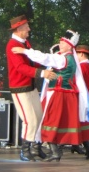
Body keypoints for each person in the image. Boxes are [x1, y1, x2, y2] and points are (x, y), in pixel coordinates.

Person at [12, 30, 89, 162]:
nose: (60, 44)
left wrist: (25, 51)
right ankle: (50, 150)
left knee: (49, 121)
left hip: (58, 94)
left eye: (63, 43)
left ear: (70, 46)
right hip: (66, 94)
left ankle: (50, 151)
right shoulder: (70, 58)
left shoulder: (62, 59)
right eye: (60, 42)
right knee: (53, 122)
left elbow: (45, 58)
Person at [6, 14, 56, 161]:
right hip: (20, 88)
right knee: (30, 120)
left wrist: (49, 63)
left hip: (30, 86)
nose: (29, 29)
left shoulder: (24, 43)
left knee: (39, 117)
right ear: (19, 29)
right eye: (27, 26)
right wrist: (42, 73)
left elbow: (33, 61)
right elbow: (21, 67)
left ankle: (36, 147)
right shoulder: (12, 45)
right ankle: (25, 150)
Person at [70, 44, 89, 159]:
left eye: (76, 54)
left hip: (82, 99)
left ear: (81, 54)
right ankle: (76, 145)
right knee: (80, 123)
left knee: (80, 123)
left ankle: (88, 147)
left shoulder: (81, 68)